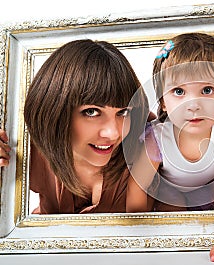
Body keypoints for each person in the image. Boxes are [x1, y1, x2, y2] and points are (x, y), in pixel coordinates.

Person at [125, 33, 214, 265]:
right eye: (179, 92)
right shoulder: (156, 137)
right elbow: (138, 189)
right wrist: (138, 233)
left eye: (207, 90)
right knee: (171, 202)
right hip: (171, 196)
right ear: (163, 100)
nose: (194, 105)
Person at [0, 39, 149, 214]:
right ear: (56, 110)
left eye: (123, 112)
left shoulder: (150, 142)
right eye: (92, 112)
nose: (114, 133)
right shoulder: (26, 148)